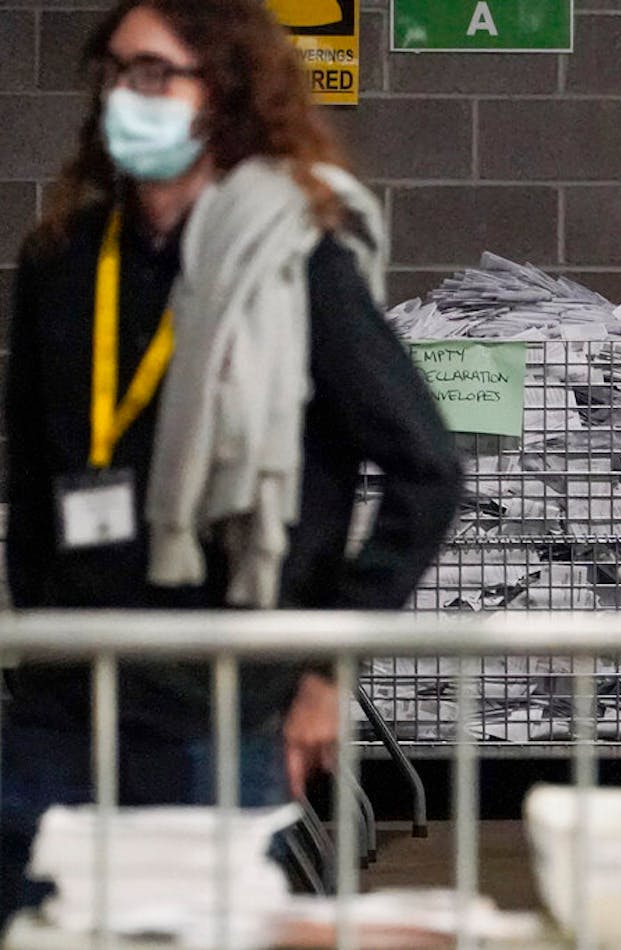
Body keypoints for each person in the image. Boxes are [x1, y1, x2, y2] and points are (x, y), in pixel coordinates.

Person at [1, 0, 463, 923]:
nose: (125, 95)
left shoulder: (298, 266)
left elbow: (426, 469)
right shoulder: (60, 261)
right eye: (115, 71)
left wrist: (328, 669)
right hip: (63, 692)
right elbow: (33, 477)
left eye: (154, 73)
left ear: (226, 94)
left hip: (218, 697)